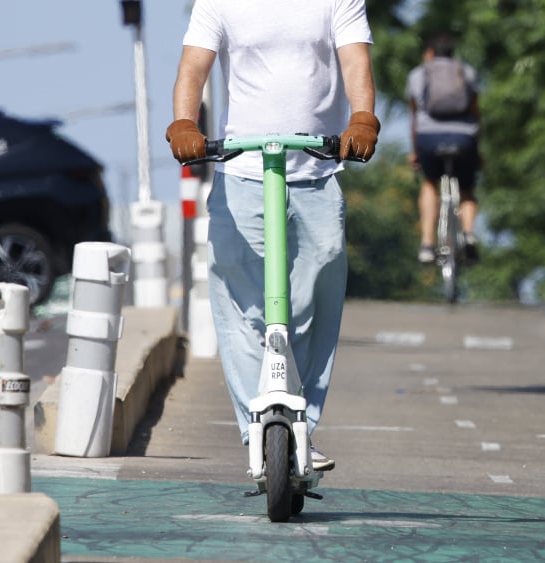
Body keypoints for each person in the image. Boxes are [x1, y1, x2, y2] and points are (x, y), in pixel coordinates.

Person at [166, 0, 380, 472]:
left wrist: (362, 116)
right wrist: (185, 120)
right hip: (243, 170)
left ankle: (301, 422)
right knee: (241, 302)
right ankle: (257, 428)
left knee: (316, 295)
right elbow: (193, 66)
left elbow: (355, 58)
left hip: (316, 170)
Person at [405, 33, 482, 265]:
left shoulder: (417, 74)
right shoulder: (467, 72)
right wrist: (477, 150)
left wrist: (416, 151)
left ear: (429, 52)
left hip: (428, 138)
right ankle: (468, 233)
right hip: (464, 138)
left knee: (429, 182)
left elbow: (414, 117)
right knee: (466, 188)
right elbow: (476, 113)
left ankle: (427, 244)